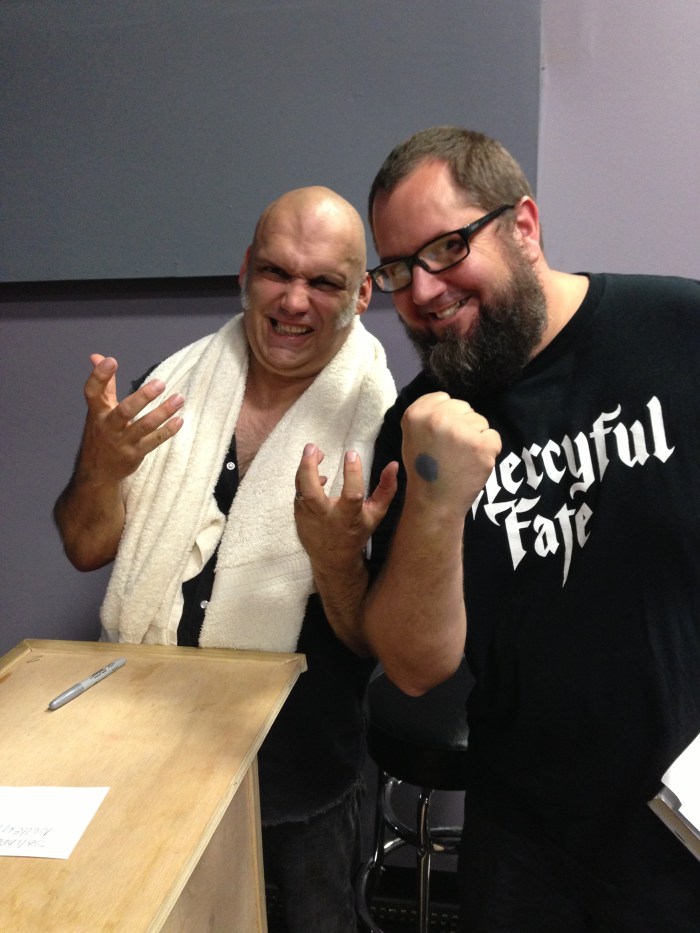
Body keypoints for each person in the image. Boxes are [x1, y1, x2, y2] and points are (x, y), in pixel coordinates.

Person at [294, 127, 700, 932]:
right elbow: (415, 668)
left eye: (447, 248)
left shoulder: (678, 331)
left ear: (524, 225)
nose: (424, 290)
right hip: (526, 842)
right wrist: (437, 500)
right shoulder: (418, 423)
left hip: (683, 825)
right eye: (398, 268)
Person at [53, 185, 397, 933]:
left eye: (324, 282)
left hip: (299, 779)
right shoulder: (166, 389)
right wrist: (101, 468)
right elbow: (84, 546)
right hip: (145, 743)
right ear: (245, 270)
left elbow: (378, 644)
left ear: (363, 294)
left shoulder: (383, 430)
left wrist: (336, 561)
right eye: (276, 272)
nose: (294, 301)